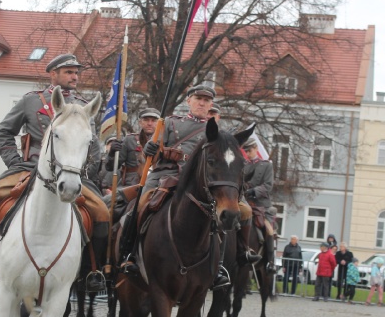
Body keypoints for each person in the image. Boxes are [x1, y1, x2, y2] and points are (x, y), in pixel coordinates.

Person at [0, 53, 109, 292]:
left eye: (76, 72)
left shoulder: (84, 106)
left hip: (71, 173)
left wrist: (85, 172)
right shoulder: (31, 101)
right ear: (53, 74)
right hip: (30, 168)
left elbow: (93, 145)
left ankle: (93, 270)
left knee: (102, 212)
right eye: (69, 72)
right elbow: (4, 132)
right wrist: (14, 162)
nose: (75, 76)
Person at [119, 84, 261, 288]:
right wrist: (150, 148)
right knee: (140, 204)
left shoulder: (216, 133)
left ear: (211, 104)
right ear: (189, 101)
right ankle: (130, 255)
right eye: (198, 99)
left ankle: (220, 265)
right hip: (166, 175)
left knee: (230, 213)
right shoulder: (168, 123)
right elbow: (151, 155)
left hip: (198, 181)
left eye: (206, 100)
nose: (202, 103)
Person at [242, 137, 276, 273]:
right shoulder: (243, 165)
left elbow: (268, 186)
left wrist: (253, 191)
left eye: (249, 150)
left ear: (256, 149)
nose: (247, 153)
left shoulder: (266, 165)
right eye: (245, 151)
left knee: (268, 230)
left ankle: (270, 262)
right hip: (244, 202)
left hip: (261, 204)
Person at [105, 108, 160, 187]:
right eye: (146, 120)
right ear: (140, 122)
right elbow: (110, 167)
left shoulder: (165, 142)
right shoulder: (129, 140)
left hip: (157, 184)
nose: (150, 123)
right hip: (131, 185)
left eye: (153, 120)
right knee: (107, 199)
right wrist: (112, 153)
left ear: (159, 123)